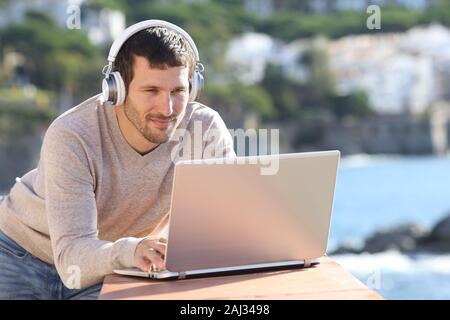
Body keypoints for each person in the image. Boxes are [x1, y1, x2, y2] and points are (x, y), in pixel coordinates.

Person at [0, 20, 235, 300]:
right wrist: (131, 250)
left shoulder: (203, 130)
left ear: (193, 87)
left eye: (177, 91)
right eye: (151, 91)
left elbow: (228, 223)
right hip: (19, 252)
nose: (167, 108)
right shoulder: (73, 134)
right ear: (117, 89)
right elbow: (73, 258)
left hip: (108, 263)